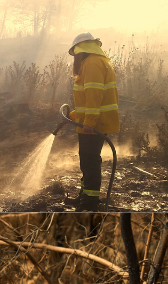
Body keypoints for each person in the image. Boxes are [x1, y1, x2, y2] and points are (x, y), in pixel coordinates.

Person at [67, 32, 119, 212]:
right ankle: (85, 197)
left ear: (80, 50)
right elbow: (92, 98)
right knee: (87, 161)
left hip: (94, 124)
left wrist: (89, 121)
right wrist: (75, 116)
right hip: (94, 121)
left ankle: (89, 205)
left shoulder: (92, 63)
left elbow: (94, 94)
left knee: (89, 162)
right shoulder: (99, 61)